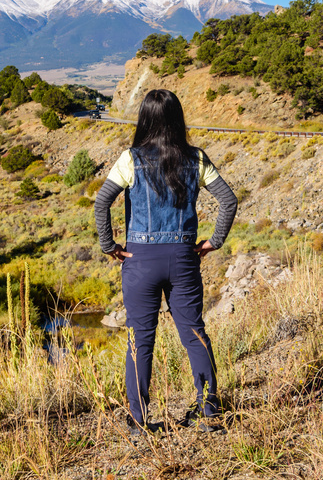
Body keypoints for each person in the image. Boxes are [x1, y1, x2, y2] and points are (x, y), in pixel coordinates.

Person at [94, 89, 238, 435]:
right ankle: (209, 414)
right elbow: (228, 201)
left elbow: (101, 203)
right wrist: (212, 243)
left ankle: (139, 421)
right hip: (183, 258)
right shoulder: (197, 158)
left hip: (140, 260)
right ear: (177, 117)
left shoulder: (131, 159)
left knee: (139, 339)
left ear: (145, 118)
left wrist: (109, 245)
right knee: (194, 334)